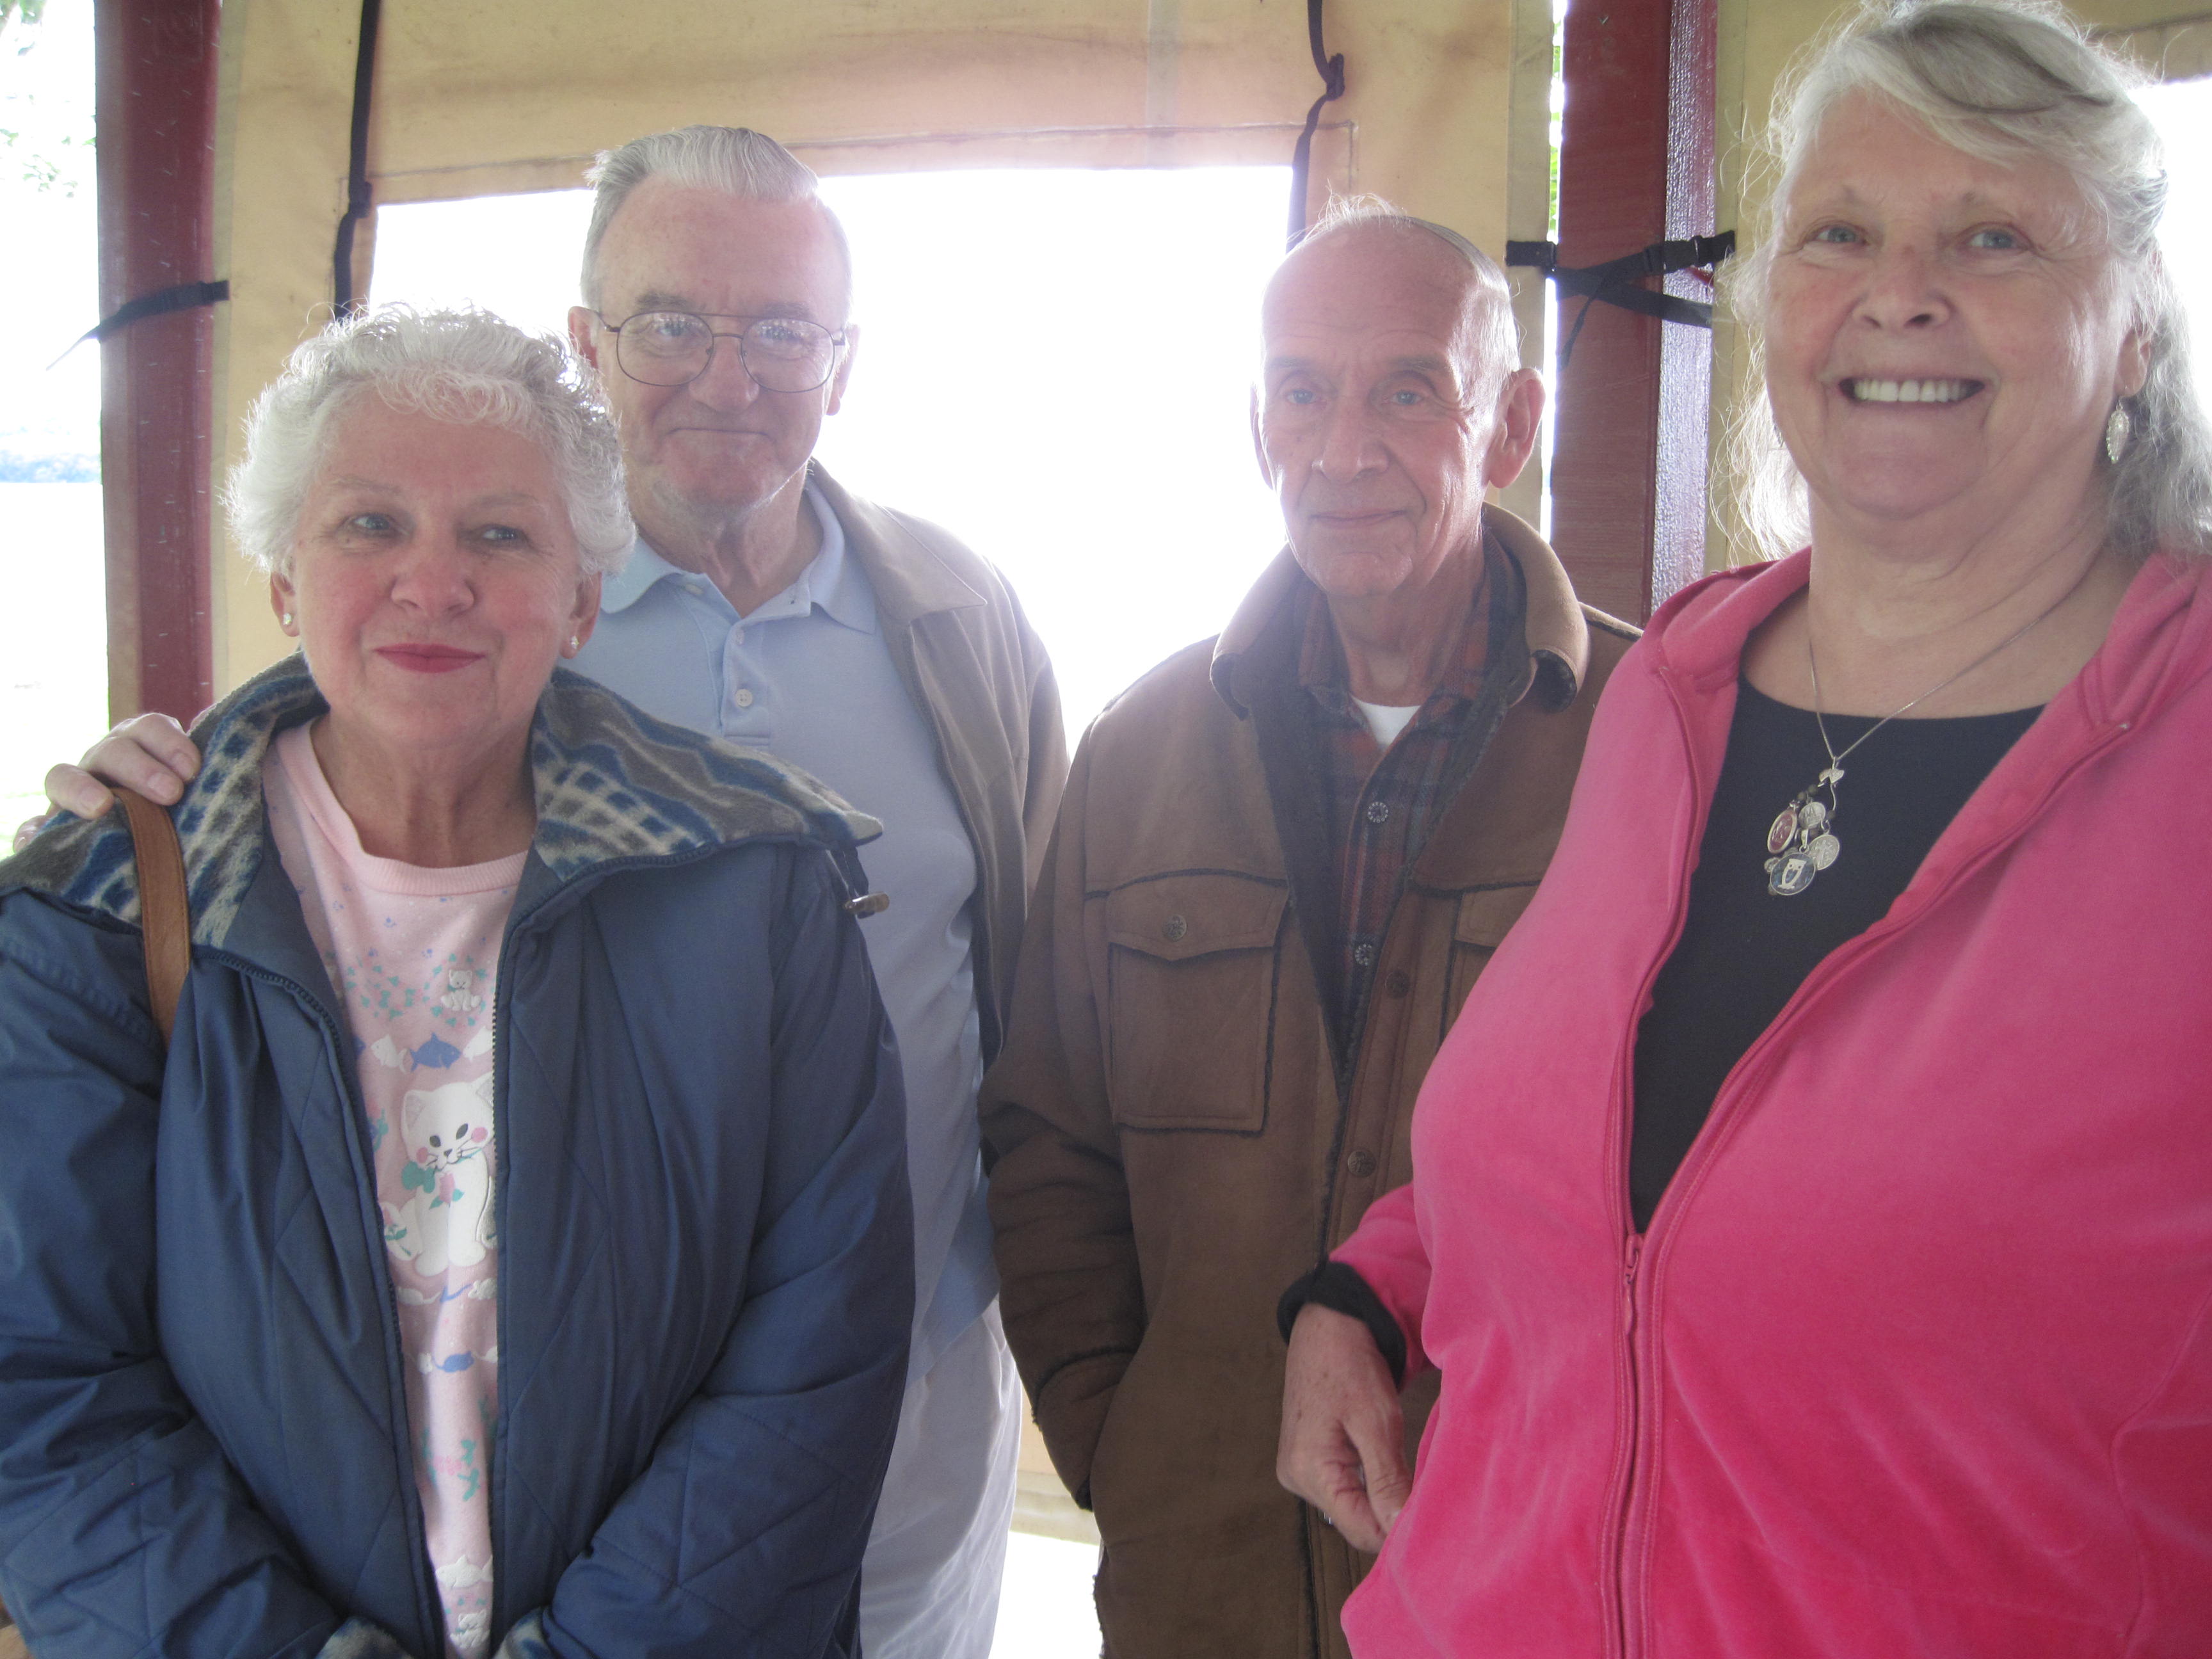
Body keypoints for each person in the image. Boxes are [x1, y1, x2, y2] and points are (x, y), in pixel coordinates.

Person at [37, 126, 1064, 1659]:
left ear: (844, 362)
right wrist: (133, 804)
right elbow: (57, 1362)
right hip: (462, 1522)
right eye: (674, 323)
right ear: (589, 341)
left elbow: (1038, 997)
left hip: (889, 1408)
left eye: (785, 330)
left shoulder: (963, 618)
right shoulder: (388, 696)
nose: (731, 374)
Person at [1278, 4, 2212, 1651]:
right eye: (1839, 232)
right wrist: (1369, 1286)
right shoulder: (1677, 687)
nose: (1898, 291)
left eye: (1992, 235)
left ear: (2136, 323)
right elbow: (1611, 1128)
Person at [979, 196, 1637, 1656]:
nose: (1343, 450)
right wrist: (1121, 1443)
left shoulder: (1650, 746)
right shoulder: (1139, 753)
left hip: (1535, 1590)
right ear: (1255, 427)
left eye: (1407, 391)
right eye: (1302, 392)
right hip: (1197, 1590)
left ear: (1510, 425)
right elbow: (1048, 1141)